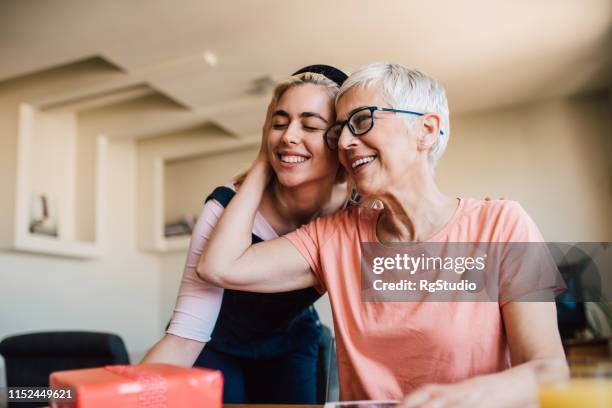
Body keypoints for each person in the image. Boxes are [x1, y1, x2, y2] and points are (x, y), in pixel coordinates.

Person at [197, 63, 569, 407]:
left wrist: (461, 398)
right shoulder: (336, 236)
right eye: (339, 130)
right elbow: (220, 266)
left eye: (361, 120)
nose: (343, 143)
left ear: (425, 130)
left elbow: (549, 372)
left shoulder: (501, 226)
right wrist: (266, 158)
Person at [142, 65, 349, 404]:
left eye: (310, 125)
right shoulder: (223, 206)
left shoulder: (351, 215)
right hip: (215, 344)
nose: (289, 136)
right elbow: (184, 338)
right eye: (279, 123)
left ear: (340, 140)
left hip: (292, 344)